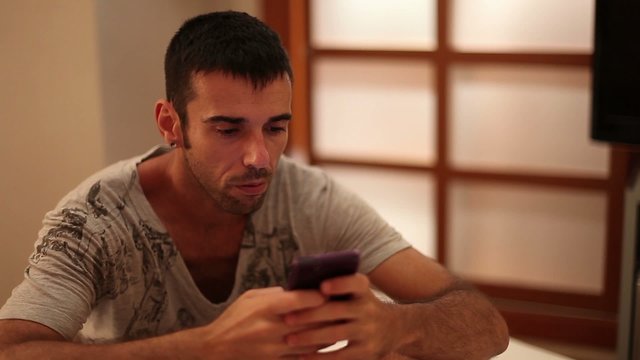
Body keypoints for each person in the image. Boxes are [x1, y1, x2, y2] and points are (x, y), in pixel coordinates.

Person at [0, 11, 508, 359]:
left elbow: (487, 325)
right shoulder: (94, 219)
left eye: (275, 127)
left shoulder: (309, 198)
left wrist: (394, 326)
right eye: (228, 129)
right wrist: (205, 348)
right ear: (170, 122)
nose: (259, 158)